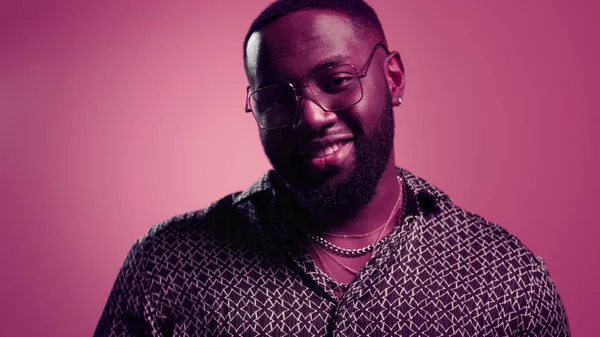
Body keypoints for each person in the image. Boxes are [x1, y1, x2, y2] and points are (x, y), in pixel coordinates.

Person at [94, 0, 570, 336]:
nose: (312, 116)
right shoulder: (166, 266)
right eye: (277, 97)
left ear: (394, 78)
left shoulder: (506, 280)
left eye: (337, 81)